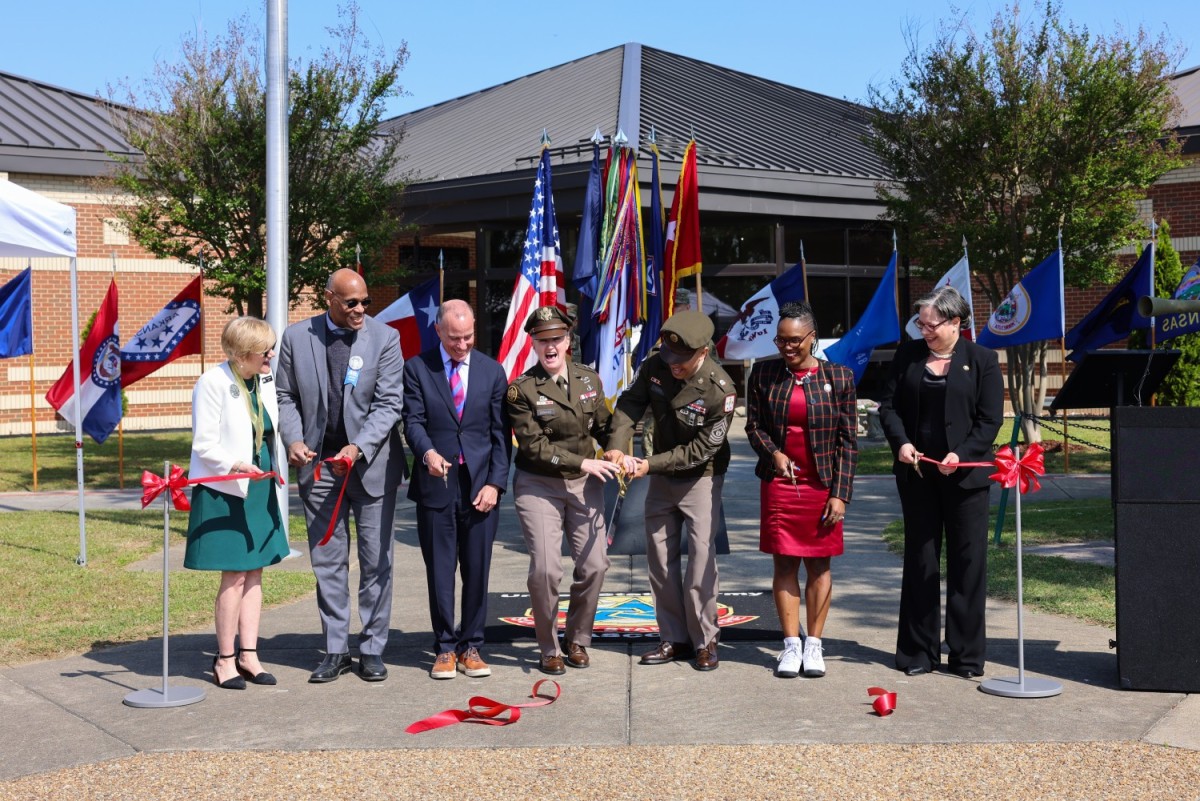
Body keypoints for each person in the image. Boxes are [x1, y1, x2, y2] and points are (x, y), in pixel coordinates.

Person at [276, 268, 405, 684]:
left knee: (375, 562)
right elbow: (284, 395)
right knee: (327, 563)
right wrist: (293, 439)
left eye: (366, 302)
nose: (361, 310)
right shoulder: (297, 338)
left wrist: (359, 446)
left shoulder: (385, 339)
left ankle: (371, 649)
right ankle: (335, 650)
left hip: (370, 467)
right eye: (352, 303)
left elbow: (388, 404)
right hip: (319, 468)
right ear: (328, 297)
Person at [878, 285, 1003, 679]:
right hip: (917, 476)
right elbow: (889, 408)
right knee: (921, 560)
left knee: (968, 565)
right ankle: (918, 652)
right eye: (921, 323)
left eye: (930, 324)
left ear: (955, 323)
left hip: (966, 480)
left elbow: (990, 420)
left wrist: (962, 454)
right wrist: (901, 443)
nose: (924, 330)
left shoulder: (982, 360)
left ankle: (966, 656)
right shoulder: (908, 355)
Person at [606, 310, 736, 671]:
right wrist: (617, 444)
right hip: (662, 478)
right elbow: (631, 403)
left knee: (699, 563)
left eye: (682, 360)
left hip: (700, 478)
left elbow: (698, 452)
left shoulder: (720, 390)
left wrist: (647, 464)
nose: (673, 365)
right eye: (669, 357)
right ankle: (674, 638)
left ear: (703, 352)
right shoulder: (656, 366)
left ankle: (705, 641)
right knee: (660, 562)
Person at [745, 301, 858, 679]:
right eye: (781, 340)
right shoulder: (763, 374)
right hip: (781, 484)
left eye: (795, 340)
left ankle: (815, 645)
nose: (787, 347)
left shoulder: (839, 377)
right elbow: (754, 427)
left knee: (820, 565)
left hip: (822, 485)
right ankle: (791, 645)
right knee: (784, 563)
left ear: (812, 337)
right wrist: (773, 453)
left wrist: (840, 494)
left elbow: (847, 442)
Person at [507, 306, 620, 675]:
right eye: (543, 341)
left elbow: (604, 425)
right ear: (534, 344)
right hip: (539, 484)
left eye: (556, 339)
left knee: (595, 564)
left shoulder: (588, 380)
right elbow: (534, 447)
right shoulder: (521, 390)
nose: (550, 346)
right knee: (545, 570)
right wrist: (584, 462)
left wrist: (617, 448)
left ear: (568, 340)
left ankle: (577, 639)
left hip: (585, 485)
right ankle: (549, 647)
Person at [402, 299, 510, 679]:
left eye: (467, 337)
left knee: (477, 570)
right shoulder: (417, 368)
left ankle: (473, 646)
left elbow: (500, 435)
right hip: (436, 484)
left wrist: (496, 483)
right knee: (441, 570)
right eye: (453, 339)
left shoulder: (493, 371)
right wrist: (427, 452)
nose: (462, 345)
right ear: (438, 332)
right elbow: (412, 421)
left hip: (480, 486)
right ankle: (446, 647)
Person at [184, 316, 289, 690]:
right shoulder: (212, 382)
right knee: (235, 574)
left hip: (260, 486)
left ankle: (249, 655)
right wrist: (236, 464)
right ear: (244, 354)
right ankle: (224, 659)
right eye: (265, 351)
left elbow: (271, 429)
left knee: (256, 570)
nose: (271, 356)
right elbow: (204, 444)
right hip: (227, 488)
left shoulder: (262, 378)